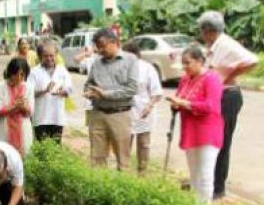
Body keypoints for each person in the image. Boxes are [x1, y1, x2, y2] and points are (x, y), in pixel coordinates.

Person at [197, 11, 259, 199]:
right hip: (216, 96)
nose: (201, 34)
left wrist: (231, 76)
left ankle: (218, 187)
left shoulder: (226, 43)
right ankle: (206, 181)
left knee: (221, 143)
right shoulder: (212, 45)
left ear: (209, 30)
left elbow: (253, 61)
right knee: (210, 141)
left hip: (228, 97)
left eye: (202, 30)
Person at [166, 45, 223, 205]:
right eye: (183, 63)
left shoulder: (212, 79)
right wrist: (176, 104)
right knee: (194, 174)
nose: (184, 67)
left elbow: (210, 106)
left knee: (205, 174)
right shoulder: (185, 79)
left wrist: (184, 103)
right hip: (190, 130)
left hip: (207, 132)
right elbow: (179, 97)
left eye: (187, 63)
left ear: (199, 61)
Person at [84, 28, 138, 171]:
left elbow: (132, 89)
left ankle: (123, 190)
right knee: (97, 159)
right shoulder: (96, 63)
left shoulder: (130, 60)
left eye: (102, 45)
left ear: (114, 42)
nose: (100, 49)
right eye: (97, 46)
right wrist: (89, 92)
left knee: (123, 160)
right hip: (98, 114)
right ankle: (100, 190)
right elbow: (88, 84)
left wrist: (105, 94)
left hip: (120, 114)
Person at [122, 42, 163, 175]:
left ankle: (142, 173)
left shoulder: (147, 68)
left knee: (144, 144)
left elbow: (156, 92)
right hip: (126, 112)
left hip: (144, 112)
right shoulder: (122, 68)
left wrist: (149, 106)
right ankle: (123, 171)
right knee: (124, 144)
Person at [27, 42, 72, 143]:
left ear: (56, 55)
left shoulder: (62, 71)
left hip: (57, 117)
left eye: (51, 55)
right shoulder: (34, 72)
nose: (49, 58)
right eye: (45, 56)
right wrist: (44, 91)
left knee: (56, 146)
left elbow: (69, 90)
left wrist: (62, 92)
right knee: (41, 147)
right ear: (40, 57)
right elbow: (28, 94)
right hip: (40, 118)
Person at [0, 58, 34, 157]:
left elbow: (30, 112)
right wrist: (15, 106)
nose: (19, 78)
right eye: (16, 74)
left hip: (22, 131)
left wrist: (23, 107)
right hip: (3, 130)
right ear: (10, 73)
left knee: (22, 158)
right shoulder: (0, 87)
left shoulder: (29, 88)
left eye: (22, 75)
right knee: (1, 158)